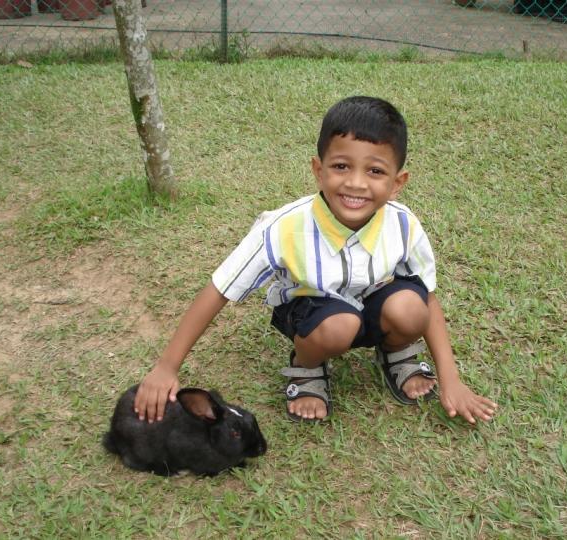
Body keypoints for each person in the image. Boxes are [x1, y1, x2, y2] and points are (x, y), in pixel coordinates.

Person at [134, 96, 497, 424]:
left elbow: (428, 297)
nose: (355, 183)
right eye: (341, 166)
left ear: (397, 182)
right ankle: (307, 366)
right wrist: (167, 367)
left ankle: (396, 350)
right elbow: (220, 289)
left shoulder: (404, 224)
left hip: (375, 305)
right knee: (338, 324)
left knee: (411, 306)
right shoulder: (283, 227)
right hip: (315, 315)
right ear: (318, 169)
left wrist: (452, 380)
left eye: (375, 171)